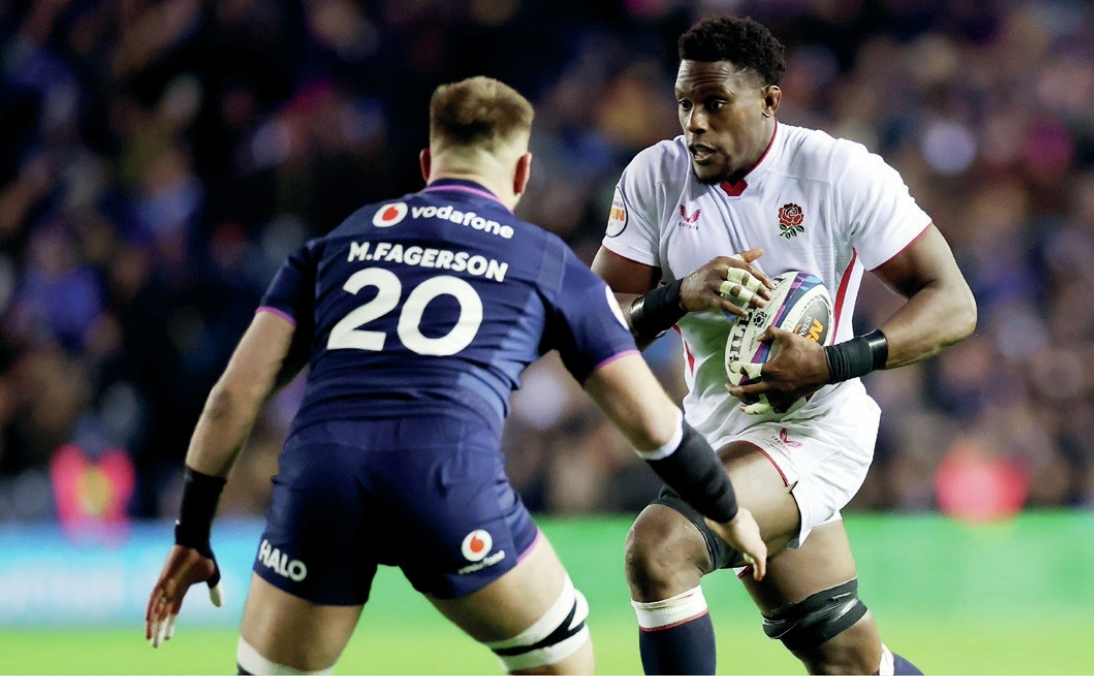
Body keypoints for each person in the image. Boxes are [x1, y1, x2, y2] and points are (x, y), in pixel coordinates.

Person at [143, 75, 769, 676]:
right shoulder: (548, 263)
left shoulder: (333, 245)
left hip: (320, 481)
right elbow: (653, 426)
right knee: (559, 654)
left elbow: (233, 397)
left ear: (426, 165)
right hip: (446, 481)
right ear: (522, 174)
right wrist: (727, 511)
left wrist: (192, 532)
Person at [592, 17, 977, 676]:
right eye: (685, 103)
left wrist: (830, 362)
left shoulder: (837, 172)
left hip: (815, 429)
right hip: (717, 435)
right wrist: (677, 295)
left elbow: (953, 304)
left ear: (770, 99)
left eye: (715, 103)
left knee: (659, 552)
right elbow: (594, 324)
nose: (695, 122)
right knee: (845, 659)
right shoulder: (655, 178)